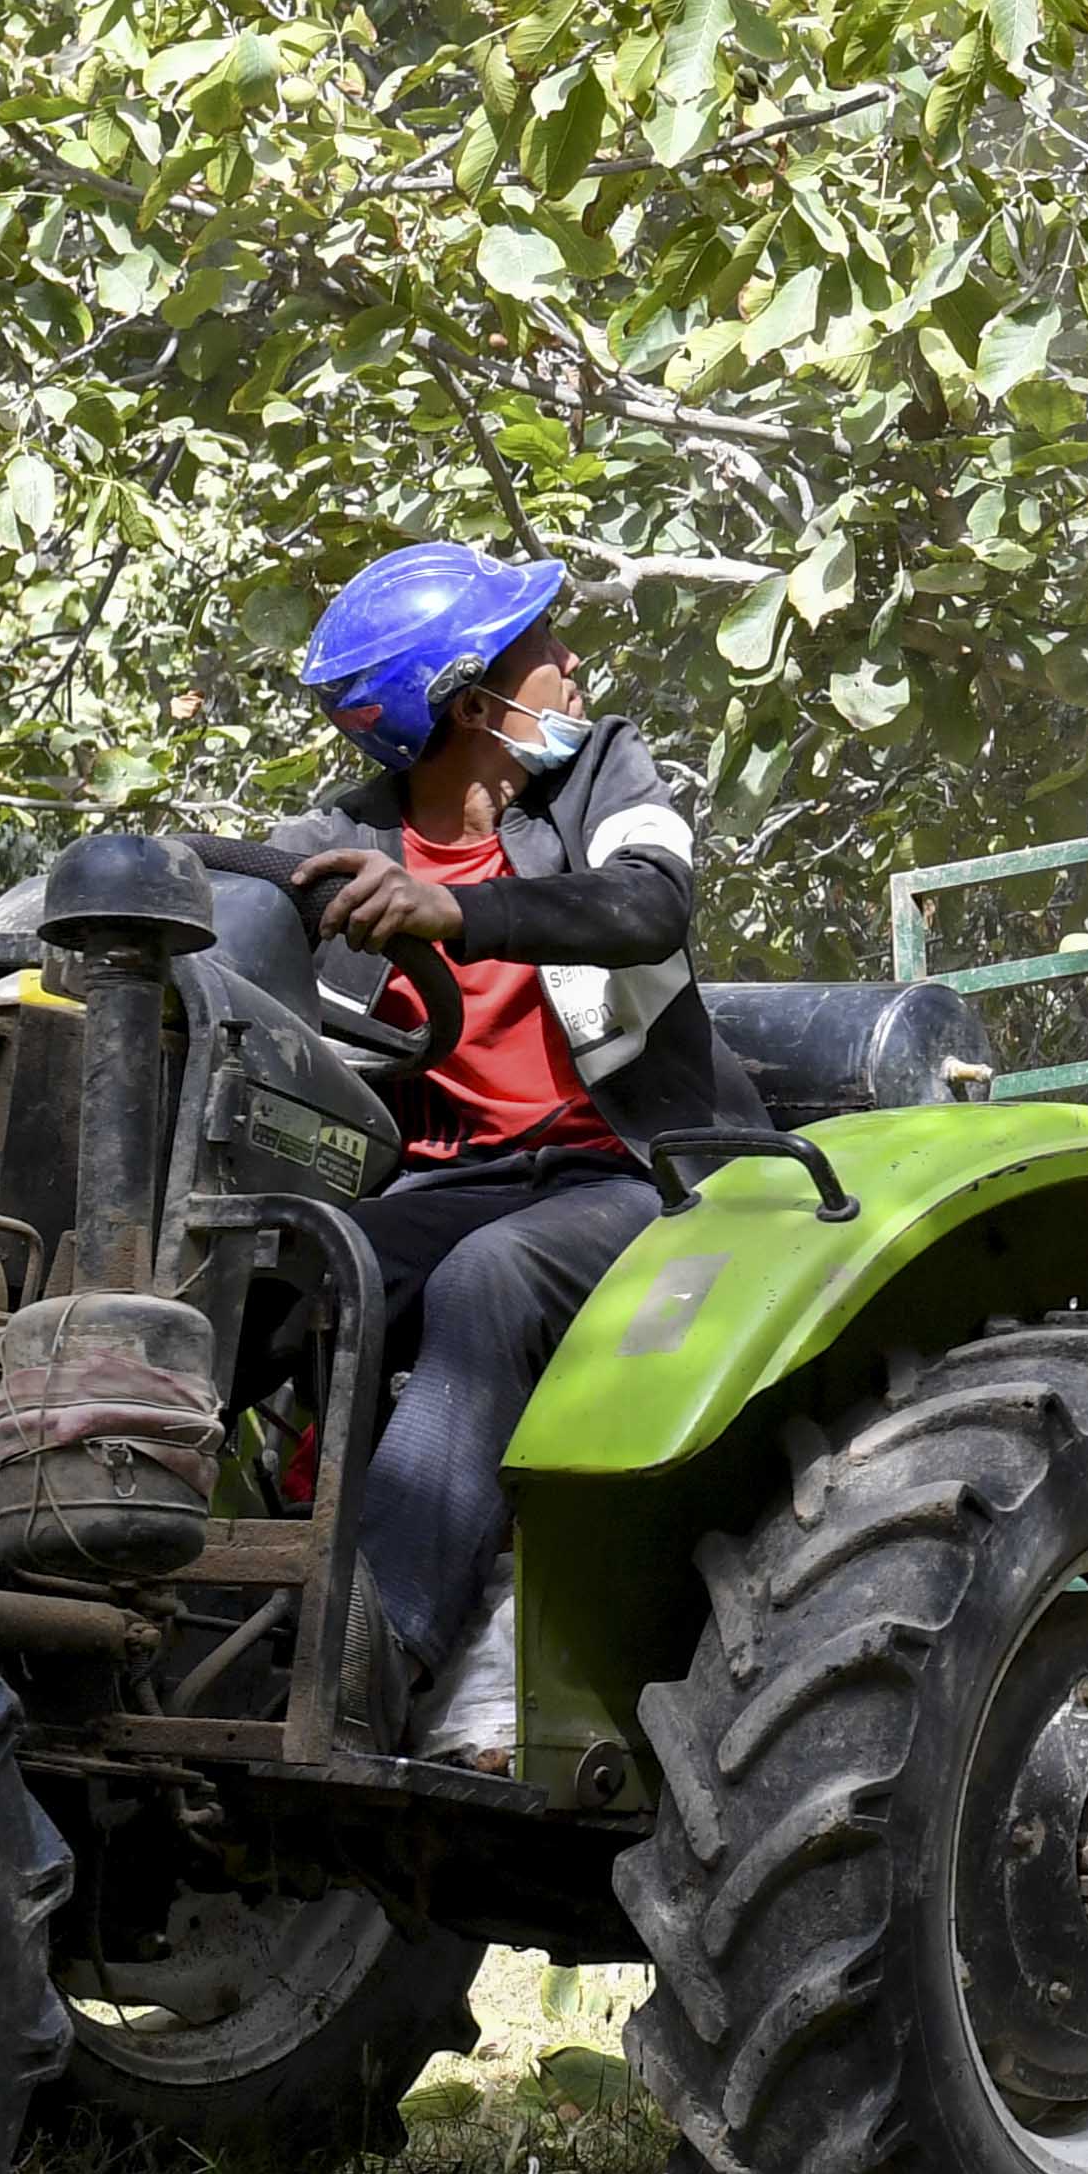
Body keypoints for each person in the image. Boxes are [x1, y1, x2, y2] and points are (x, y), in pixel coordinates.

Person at [269, 540, 768, 1748]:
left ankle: (370, 1657)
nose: (571, 661)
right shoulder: (334, 844)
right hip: (464, 1180)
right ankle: (177, 1584)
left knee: (485, 1281)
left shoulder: (603, 770)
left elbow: (646, 905)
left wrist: (462, 912)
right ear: (467, 703)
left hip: (641, 1170)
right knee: (283, 1267)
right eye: (540, 647)